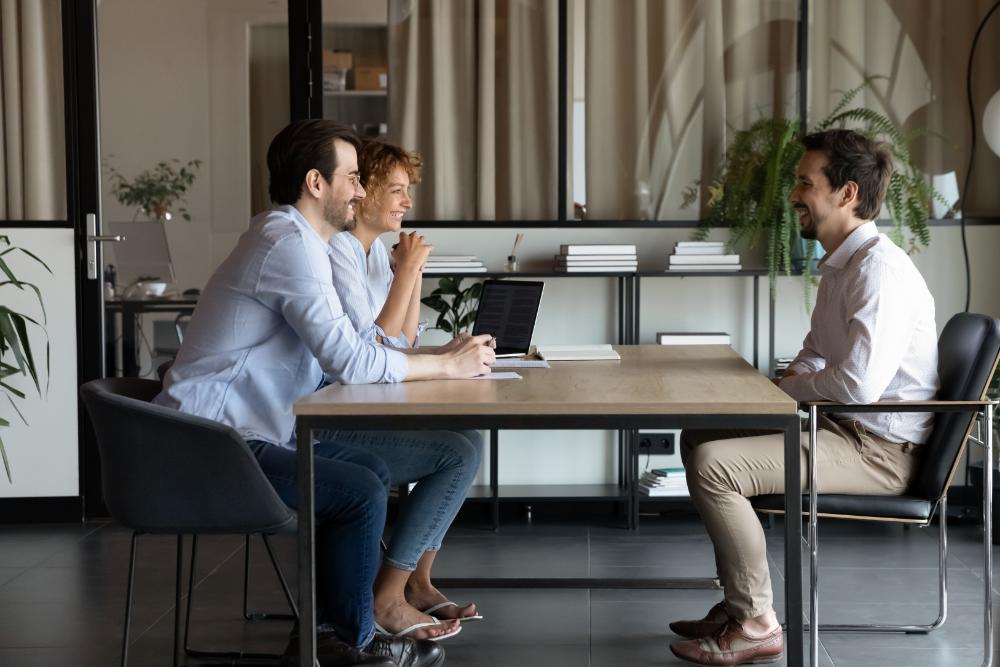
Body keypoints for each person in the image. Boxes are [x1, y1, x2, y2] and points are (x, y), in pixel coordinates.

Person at [155, 119, 495, 667]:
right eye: (354, 179)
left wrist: (437, 359)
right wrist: (448, 368)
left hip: (256, 431)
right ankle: (350, 641)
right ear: (317, 183)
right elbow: (350, 360)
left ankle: (333, 632)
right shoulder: (288, 243)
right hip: (211, 445)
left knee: (372, 472)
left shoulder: (303, 241)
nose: (361, 192)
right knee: (358, 488)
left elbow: (358, 345)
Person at [669, 128, 939, 666]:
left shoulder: (879, 271)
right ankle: (737, 601)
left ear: (847, 194)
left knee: (714, 465)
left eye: (804, 183)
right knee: (701, 432)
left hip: (878, 451)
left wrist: (786, 388)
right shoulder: (841, 264)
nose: (793, 195)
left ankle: (757, 623)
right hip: (841, 427)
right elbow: (818, 351)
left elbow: (858, 385)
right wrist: (794, 377)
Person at [327, 139, 483, 626]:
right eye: (395, 190)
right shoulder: (340, 251)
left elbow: (405, 339)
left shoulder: (373, 253)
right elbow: (375, 340)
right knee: (457, 453)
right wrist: (409, 270)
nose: (406, 202)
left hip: (359, 400)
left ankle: (417, 579)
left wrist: (410, 275)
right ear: (363, 191)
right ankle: (389, 594)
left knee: (469, 438)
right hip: (330, 413)